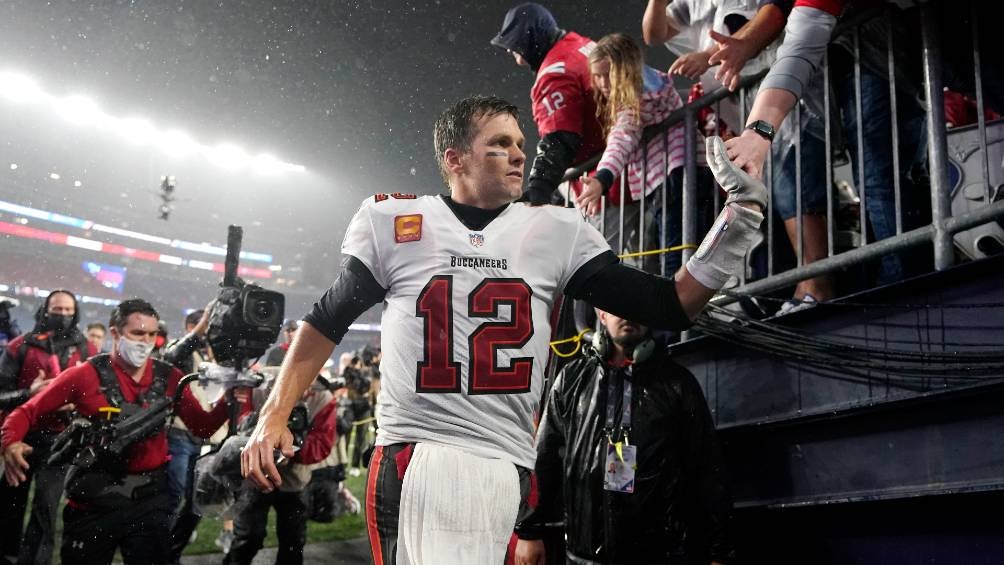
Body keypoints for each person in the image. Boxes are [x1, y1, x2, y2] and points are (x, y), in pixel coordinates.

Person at [240, 95, 766, 565]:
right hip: (416, 449)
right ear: (455, 159)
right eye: (499, 144)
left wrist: (739, 216)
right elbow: (326, 319)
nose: (520, 154)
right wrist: (273, 416)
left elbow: (670, 303)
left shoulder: (553, 231)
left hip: (505, 460)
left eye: (520, 142)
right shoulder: (397, 222)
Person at [1, 298, 241, 565]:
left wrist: (229, 399)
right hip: (94, 499)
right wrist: (11, 442)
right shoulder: (85, 375)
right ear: (115, 332)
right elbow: (27, 411)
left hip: (150, 499)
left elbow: (202, 426)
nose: (145, 341)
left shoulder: (169, 377)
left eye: (151, 334)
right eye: (137, 333)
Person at [514, 309, 734, 565]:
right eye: (617, 306)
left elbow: (707, 472)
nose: (628, 313)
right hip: (582, 558)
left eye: (635, 305)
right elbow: (544, 461)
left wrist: (720, 553)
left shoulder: (678, 385)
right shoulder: (570, 380)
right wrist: (528, 532)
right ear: (601, 314)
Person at [577, 32, 715, 278]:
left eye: (607, 74)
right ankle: (698, 304)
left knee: (676, 254)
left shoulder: (635, 101)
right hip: (691, 168)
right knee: (699, 249)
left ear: (624, 70)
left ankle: (677, 310)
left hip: (671, 175)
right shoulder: (653, 83)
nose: (602, 83)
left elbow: (622, 138)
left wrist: (602, 179)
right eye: (596, 76)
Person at [0, 290, 97, 565]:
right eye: (58, 309)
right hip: (21, 435)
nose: (63, 316)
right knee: (10, 504)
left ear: (75, 312)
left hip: (61, 438)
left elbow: (97, 394)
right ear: (46, 310)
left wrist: (75, 403)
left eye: (69, 310)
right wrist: (28, 394)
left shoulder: (87, 350)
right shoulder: (20, 346)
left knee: (46, 505)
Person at [225, 375, 338, 565]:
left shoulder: (323, 398)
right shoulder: (257, 387)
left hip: (294, 480)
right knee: (248, 538)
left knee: (292, 543)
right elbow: (239, 425)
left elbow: (322, 443)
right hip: (256, 476)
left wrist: (293, 451)